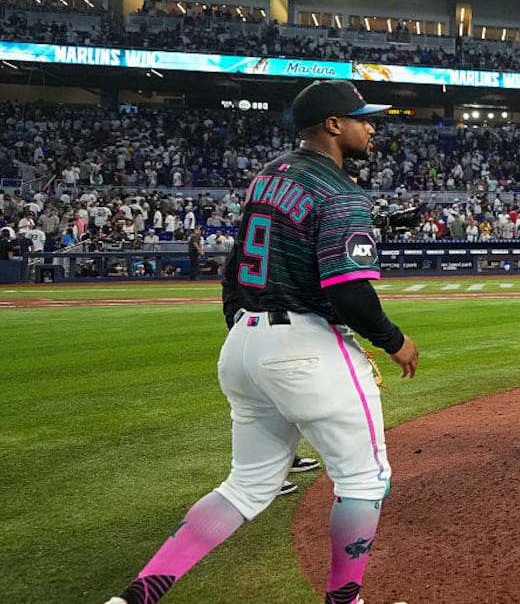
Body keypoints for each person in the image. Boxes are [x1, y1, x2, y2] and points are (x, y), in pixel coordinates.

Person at [105, 79, 419, 604]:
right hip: (308, 345)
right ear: (333, 125)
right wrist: (393, 339)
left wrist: (244, 322)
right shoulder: (338, 190)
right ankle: (345, 601)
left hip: (244, 345)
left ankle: (137, 596)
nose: (372, 127)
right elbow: (349, 292)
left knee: (246, 486)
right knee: (365, 480)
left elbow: (233, 268)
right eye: (363, 118)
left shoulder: (268, 177)